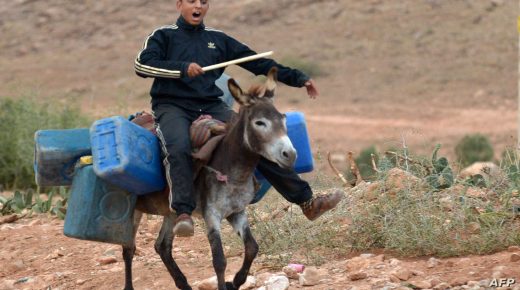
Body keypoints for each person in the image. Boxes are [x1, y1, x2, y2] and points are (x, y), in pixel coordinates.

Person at [135, 0, 343, 237]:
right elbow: (142, 65)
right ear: (179, 4)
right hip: (172, 106)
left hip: (211, 104)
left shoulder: (218, 39)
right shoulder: (163, 36)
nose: (198, 6)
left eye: (204, 2)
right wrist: (182, 68)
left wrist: (298, 78)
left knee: (255, 139)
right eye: (192, 1)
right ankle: (183, 212)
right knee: (178, 145)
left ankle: (307, 202)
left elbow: (259, 63)